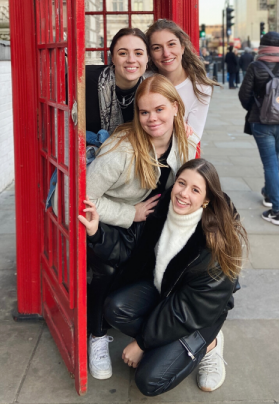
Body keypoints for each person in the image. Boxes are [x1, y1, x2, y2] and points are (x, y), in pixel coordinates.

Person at [78, 158, 244, 393]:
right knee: (115, 308)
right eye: (181, 183)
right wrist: (96, 233)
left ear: (206, 200)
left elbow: (184, 311)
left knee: (149, 380)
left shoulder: (212, 249)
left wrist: (142, 344)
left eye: (195, 190)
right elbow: (131, 248)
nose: (184, 194)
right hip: (165, 292)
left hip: (198, 316)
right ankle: (167, 349)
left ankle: (209, 344)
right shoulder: (163, 207)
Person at [83, 76, 199, 374]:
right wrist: (127, 213)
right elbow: (80, 199)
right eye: (144, 112)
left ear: (175, 107)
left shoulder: (187, 141)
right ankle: (95, 336)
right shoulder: (121, 150)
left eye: (159, 109)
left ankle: (177, 330)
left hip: (151, 223)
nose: (151, 119)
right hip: (110, 221)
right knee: (105, 269)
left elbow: (191, 186)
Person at [239, 31, 279, 225]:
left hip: (262, 123)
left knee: (270, 163)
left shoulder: (256, 66)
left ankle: (277, 211)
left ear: (263, 47)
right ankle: (268, 194)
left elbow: (244, 95)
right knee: (273, 160)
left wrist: (256, 108)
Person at [147, 19, 217, 142]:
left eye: (171, 44)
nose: (166, 53)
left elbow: (192, 141)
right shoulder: (143, 81)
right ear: (150, 54)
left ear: (182, 47)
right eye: (157, 48)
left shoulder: (201, 88)